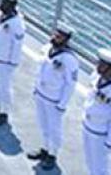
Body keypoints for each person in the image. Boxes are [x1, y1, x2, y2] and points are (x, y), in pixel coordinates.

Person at [28, 22, 80, 170]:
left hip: (54, 99)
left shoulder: (69, 59)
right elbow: (40, 70)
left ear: (66, 39)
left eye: (60, 36)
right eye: (56, 34)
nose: (56, 37)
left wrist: (62, 104)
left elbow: (70, 85)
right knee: (43, 124)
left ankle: (53, 155)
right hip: (41, 94)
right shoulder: (47, 49)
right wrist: (36, 88)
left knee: (54, 128)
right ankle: (45, 149)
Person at [82, 48, 111, 175]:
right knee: (89, 162)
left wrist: (109, 141)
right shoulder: (96, 77)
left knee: (100, 167)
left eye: (103, 65)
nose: (98, 66)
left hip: (100, 133)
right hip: (88, 125)